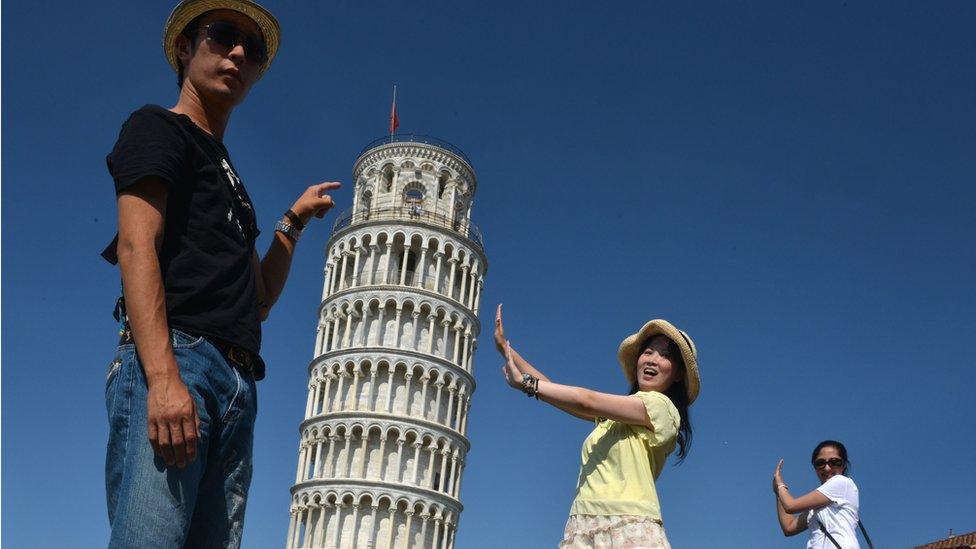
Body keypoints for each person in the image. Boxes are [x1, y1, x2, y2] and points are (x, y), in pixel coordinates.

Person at [101, 1, 340, 546]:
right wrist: (163, 379)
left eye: (252, 50)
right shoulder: (158, 127)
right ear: (185, 47)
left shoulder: (231, 179)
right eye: (223, 35)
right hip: (178, 358)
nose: (237, 53)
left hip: (237, 381)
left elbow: (254, 300)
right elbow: (138, 247)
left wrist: (292, 223)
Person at [494, 305, 700, 548]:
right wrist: (505, 349)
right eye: (648, 352)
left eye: (665, 356)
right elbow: (558, 392)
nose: (653, 360)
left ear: (677, 374)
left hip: (628, 525)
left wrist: (528, 384)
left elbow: (586, 400)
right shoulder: (612, 421)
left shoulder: (661, 407)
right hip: (582, 527)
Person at [773, 440, 862, 549]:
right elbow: (789, 527)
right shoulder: (817, 507)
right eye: (820, 463)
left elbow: (790, 506)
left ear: (843, 465)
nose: (827, 468)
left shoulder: (842, 482)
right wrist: (778, 493)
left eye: (834, 462)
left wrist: (780, 484)